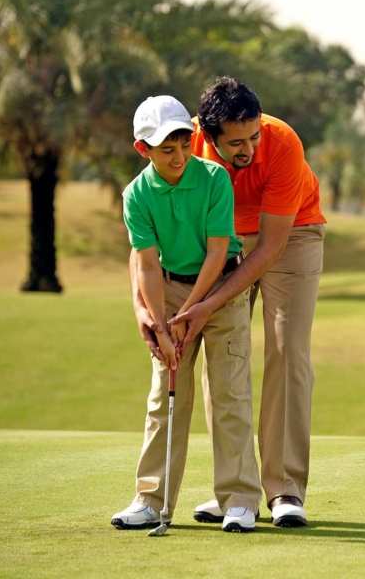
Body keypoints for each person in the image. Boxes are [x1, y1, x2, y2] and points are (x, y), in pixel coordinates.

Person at [176, 77, 326, 528]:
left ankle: (284, 490)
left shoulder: (281, 143)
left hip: (292, 232)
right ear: (207, 134)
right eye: (236, 142)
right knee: (223, 355)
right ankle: (235, 490)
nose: (249, 148)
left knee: (287, 348)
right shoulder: (186, 144)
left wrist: (210, 302)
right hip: (221, 238)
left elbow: (271, 246)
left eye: (253, 136)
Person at [112, 95, 262, 533]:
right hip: (169, 289)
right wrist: (161, 325)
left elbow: (217, 252)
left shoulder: (214, 178)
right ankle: (150, 499)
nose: (179, 156)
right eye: (166, 149)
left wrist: (193, 310)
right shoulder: (136, 194)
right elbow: (146, 265)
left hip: (222, 290)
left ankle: (239, 500)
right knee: (164, 396)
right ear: (143, 149)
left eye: (183, 144)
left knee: (230, 394)